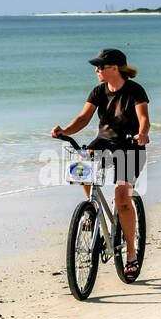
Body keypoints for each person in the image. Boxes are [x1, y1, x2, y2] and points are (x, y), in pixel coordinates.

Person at [51, 48, 150, 279]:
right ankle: (91, 207)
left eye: (100, 67)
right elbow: (84, 118)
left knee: (123, 198)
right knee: (82, 164)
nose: (96, 70)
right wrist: (65, 130)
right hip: (104, 141)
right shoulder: (98, 91)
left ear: (114, 68)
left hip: (130, 145)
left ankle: (132, 254)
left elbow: (144, 118)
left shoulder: (135, 90)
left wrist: (143, 133)